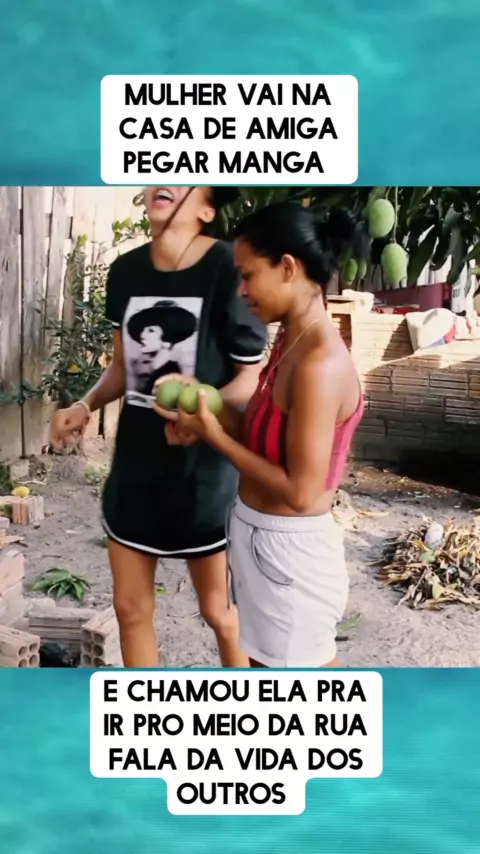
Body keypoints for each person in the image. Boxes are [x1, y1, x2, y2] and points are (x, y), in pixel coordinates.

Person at [50, 185, 267, 668]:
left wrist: (202, 403)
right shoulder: (125, 271)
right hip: (136, 465)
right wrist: (85, 404)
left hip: (204, 469)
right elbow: (122, 367)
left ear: (207, 208)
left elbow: (250, 379)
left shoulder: (230, 268)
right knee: (130, 610)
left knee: (220, 612)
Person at [154, 202, 366, 669]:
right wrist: (203, 404)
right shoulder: (291, 340)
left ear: (288, 267)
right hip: (263, 542)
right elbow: (259, 429)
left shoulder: (319, 365)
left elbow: (301, 492)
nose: (242, 290)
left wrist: (213, 435)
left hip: (290, 557)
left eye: (248, 275)